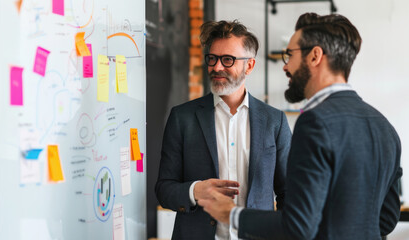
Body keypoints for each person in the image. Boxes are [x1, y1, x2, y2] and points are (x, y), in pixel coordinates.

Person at [199, 13, 402, 240]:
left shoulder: (315, 122)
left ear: (315, 56)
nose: (286, 67)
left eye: (290, 55)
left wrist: (231, 214)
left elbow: (298, 226)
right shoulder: (384, 127)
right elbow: (387, 218)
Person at [155, 20, 292, 239]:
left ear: (249, 65)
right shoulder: (182, 117)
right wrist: (195, 191)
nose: (217, 67)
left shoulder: (275, 121)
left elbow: (289, 194)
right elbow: (164, 190)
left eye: (228, 60)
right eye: (212, 58)